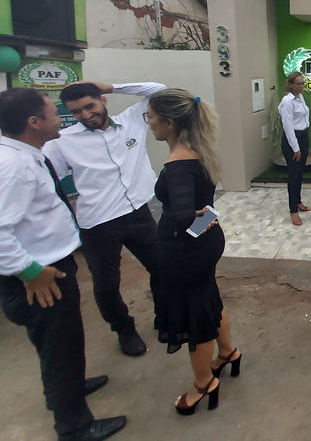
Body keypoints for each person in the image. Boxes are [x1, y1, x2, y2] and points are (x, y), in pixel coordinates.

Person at [0, 87, 127, 441]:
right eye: (54, 113)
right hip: (40, 275)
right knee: (61, 346)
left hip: (46, 265)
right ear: (34, 122)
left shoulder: (25, 155)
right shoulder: (14, 167)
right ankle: (75, 427)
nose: (63, 119)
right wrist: (30, 272)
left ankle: (65, 388)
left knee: (56, 343)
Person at [44, 81, 165, 357]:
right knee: (106, 284)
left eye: (90, 106)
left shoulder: (132, 120)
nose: (86, 115)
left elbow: (159, 90)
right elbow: (47, 180)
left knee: (162, 268)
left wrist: (109, 85)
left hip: (138, 213)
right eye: (76, 111)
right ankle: (124, 330)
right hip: (98, 223)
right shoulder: (62, 141)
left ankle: (165, 315)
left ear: (103, 100)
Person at [144, 89, 241, 416]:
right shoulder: (200, 150)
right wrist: (196, 218)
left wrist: (180, 220)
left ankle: (204, 383)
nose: (149, 123)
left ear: (169, 123)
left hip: (187, 250)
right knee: (208, 297)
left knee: (194, 314)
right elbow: (199, 208)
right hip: (204, 241)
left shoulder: (178, 163)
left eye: (151, 117)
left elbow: (184, 214)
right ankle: (227, 353)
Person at [278, 72, 311, 226]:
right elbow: (288, 127)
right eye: (298, 83)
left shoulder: (300, 97)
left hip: (303, 136)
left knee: (299, 173)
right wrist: (296, 148)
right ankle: (293, 210)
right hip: (293, 140)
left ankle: (298, 201)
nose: (302, 86)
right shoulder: (287, 101)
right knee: (294, 175)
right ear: (290, 85)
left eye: (303, 83)